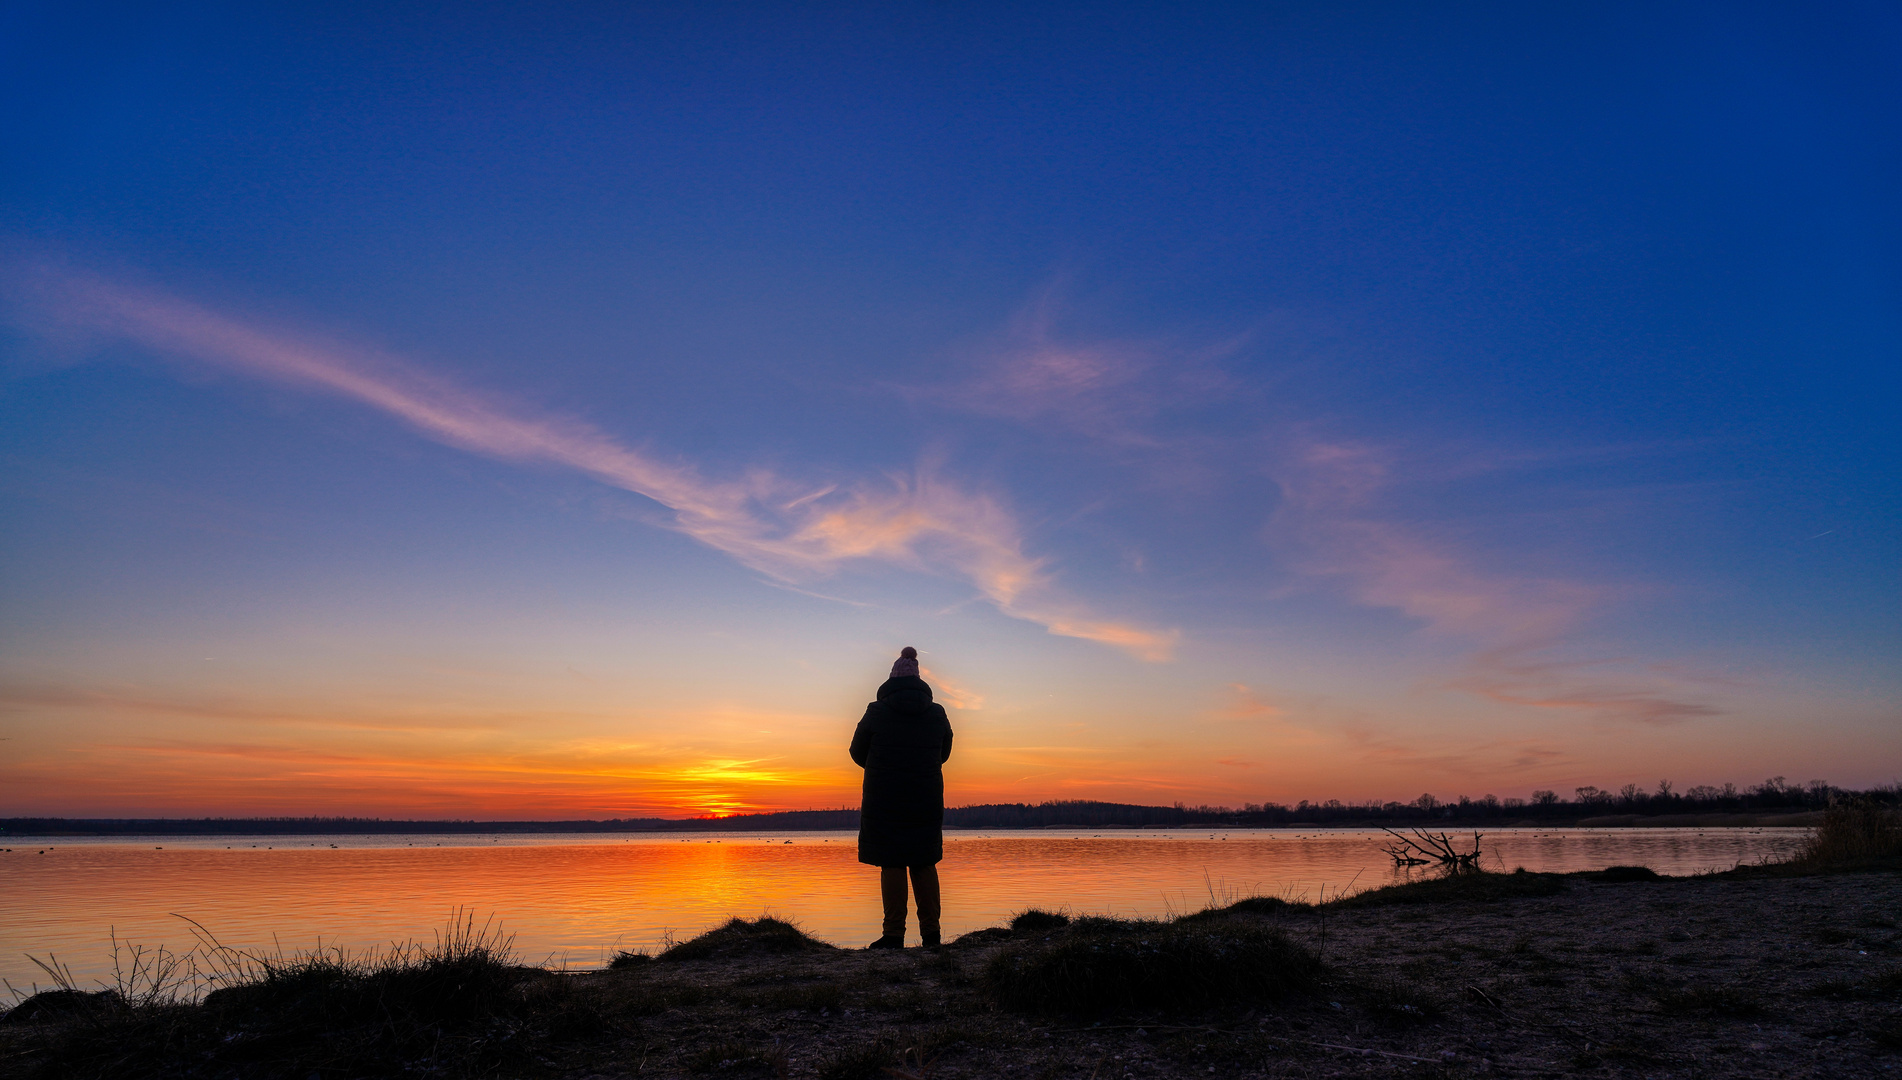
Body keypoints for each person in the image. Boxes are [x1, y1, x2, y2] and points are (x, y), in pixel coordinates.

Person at [850, 646, 954, 949]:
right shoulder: (937, 713)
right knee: (924, 861)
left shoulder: (876, 711)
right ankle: (931, 935)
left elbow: (857, 751)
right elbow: (944, 753)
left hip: (885, 798)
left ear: (891, 681)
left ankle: (893, 934)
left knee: (892, 862)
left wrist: (882, 765)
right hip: (926, 797)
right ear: (919, 679)